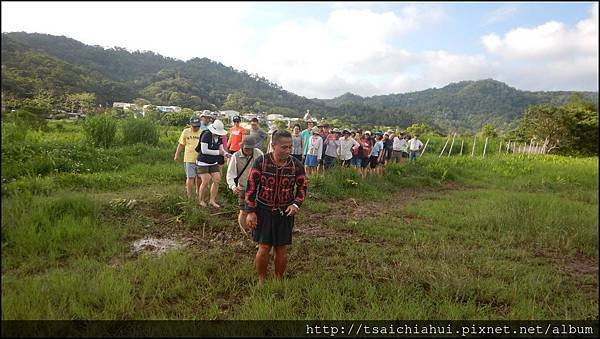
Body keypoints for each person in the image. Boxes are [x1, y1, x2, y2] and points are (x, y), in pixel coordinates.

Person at [245, 130, 308, 286]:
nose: (288, 151)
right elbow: (251, 187)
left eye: (290, 147)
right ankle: (261, 279)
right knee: (264, 246)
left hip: (285, 212)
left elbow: (302, 187)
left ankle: (279, 280)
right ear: (273, 146)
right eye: (284, 147)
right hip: (263, 210)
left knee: (281, 247)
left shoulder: (296, 165)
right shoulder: (262, 162)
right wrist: (251, 211)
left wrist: (295, 204)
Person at [227, 136, 263, 235]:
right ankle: (245, 233)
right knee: (243, 212)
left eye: (250, 148)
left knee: (257, 211)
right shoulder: (236, 156)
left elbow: (264, 169)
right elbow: (230, 174)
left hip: (258, 188)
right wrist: (233, 187)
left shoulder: (259, 154)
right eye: (246, 148)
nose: (248, 150)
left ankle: (255, 232)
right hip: (243, 188)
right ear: (242, 146)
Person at [195, 119, 231, 208]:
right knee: (206, 179)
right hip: (203, 161)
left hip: (213, 161)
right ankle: (201, 200)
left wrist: (225, 153)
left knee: (217, 179)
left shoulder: (219, 137)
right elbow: (204, 150)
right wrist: (218, 153)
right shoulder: (206, 135)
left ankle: (212, 200)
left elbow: (221, 148)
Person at [174, 116, 202, 199]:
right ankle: (189, 195)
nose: (196, 128)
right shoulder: (185, 132)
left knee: (199, 177)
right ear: (191, 125)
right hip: (189, 158)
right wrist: (177, 155)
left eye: (198, 126)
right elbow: (181, 144)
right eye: (194, 126)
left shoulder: (203, 132)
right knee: (190, 177)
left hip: (200, 159)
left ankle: (198, 192)